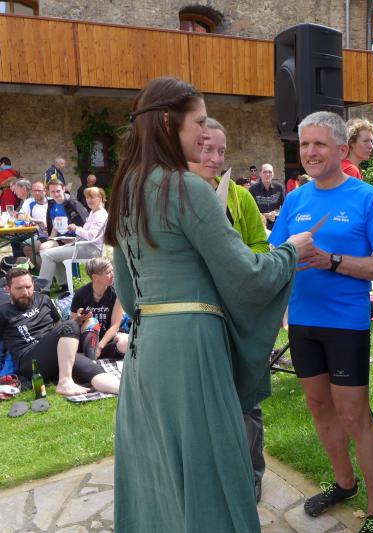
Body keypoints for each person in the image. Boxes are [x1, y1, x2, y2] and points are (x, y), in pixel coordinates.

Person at [106, 76, 312, 532]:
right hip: (192, 346)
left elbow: (127, 292)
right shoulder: (186, 187)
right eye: (199, 122)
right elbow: (247, 275)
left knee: (158, 466)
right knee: (208, 464)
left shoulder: (126, 187)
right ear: (168, 122)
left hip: (146, 347)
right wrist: (292, 250)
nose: (205, 132)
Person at [269, 111, 373, 533]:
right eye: (304, 144)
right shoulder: (296, 199)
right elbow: (275, 255)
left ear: (341, 149)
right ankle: (344, 483)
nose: (309, 152)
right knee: (319, 406)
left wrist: (333, 261)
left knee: (354, 415)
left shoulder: (367, 198)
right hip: (304, 321)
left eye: (319, 144)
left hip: (345, 324)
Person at [187, 117, 270, 501]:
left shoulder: (240, 197)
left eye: (221, 151)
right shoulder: (179, 197)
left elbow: (260, 247)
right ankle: (211, 471)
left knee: (246, 398)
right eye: (208, 149)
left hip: (238, 312)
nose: (216, 158)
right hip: (195, 315)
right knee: (201, 399)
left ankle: (251, 473)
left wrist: (237, 262)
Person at [0, 268, 119, 396]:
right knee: (69, 326)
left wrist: (78, 321)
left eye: (28, 287)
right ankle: (65, 382)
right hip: (31, 363)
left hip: (58, 355)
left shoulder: (43, 299)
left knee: (93, 369)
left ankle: (127, 391)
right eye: (19, 288)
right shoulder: (3, 311)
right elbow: (64, 328)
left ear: (33, 285)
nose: (25, 292)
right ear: (8, 289)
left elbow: (59, 325)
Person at [37, 186, 106, 291]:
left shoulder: (100, 215)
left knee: (47, 255)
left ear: (100, 198)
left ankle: (42, 290)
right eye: (87, 198)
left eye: (92, 197)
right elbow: (87, 234)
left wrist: (76, 228)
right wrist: (73, 238)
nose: (89, 200)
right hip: (84, 246)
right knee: (48, 252)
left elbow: (91, 236)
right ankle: (64, 284)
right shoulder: (94, 212)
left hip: (91, 249)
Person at [69, 257, 128, 360]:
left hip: (107, 338)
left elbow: (115, 326)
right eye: (108, 272)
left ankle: (90, 355)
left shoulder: (116, 294)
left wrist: (100, 346)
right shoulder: (81, 294)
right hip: (87, 337)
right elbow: (72, 324)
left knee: (126, 342)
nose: (112, 274)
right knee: (92, 322)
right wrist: (79, 319)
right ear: (95, 277)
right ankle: (91, 354)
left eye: (112, 270)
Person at [19, 181, 49, 261]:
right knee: (23, 245)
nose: (36, 193)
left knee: (27, 248)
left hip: (51, 235)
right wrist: (37, 221)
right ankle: (42, 267)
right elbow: (20, 216)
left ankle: (44, 267)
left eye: (39, 190)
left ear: (45, 191)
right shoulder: (29, 202)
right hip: (41, 235)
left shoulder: (52, 202)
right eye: (34, 191)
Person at [249, 163, 284, 230]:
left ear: (273, 174)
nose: (267, 174)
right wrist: (266, 215)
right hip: (259, 226)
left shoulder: (279, 188)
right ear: (260, 174)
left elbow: (284, 207)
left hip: (276, 226)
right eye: (265, 172)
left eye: (270, 172)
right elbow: (251, 211)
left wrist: (277, 213)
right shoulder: (253, 189)